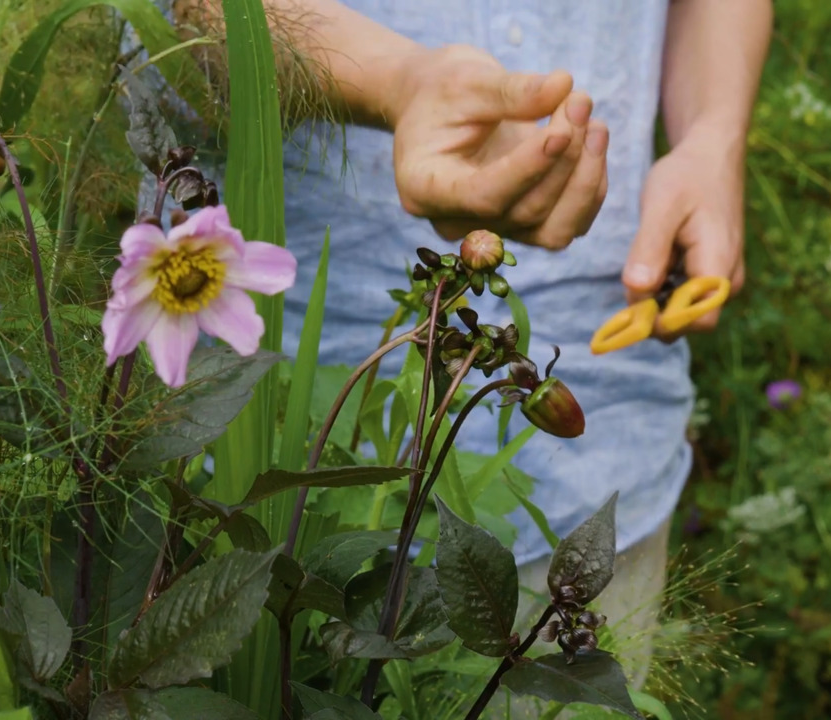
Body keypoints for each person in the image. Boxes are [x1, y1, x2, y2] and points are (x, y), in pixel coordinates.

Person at [162, 0, 772, 690]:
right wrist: (396, 82)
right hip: (272, 471)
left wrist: (713, 138)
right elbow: (177, 13)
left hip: (616, 445)